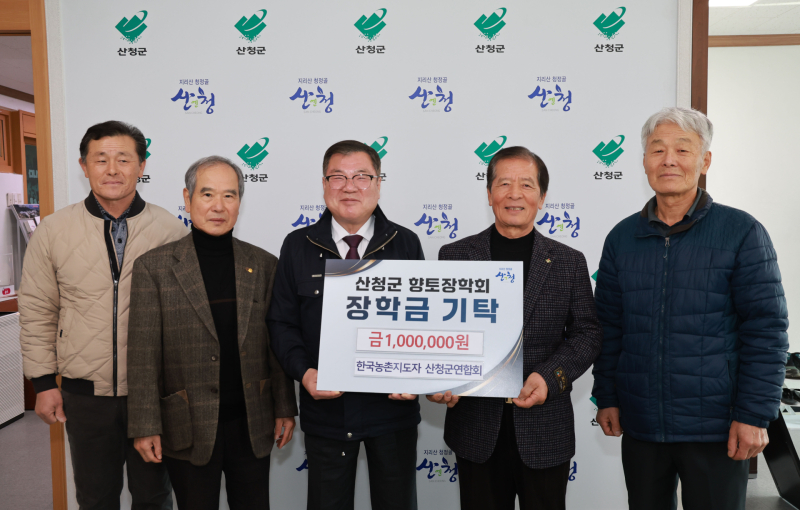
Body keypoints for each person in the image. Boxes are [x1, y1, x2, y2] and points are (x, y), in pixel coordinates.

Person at [592, 107, 789, 510]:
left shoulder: (741, 232)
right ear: (644, 160)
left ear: (705, 161)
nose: (669, 160)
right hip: (642, 425)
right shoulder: (622, 238)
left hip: (717, 428)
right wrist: (607, 395)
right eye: (657, 149)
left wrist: (754, 415)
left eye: (683, 149)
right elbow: (609, 327)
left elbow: (766, 331)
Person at [18, 120, 185, 510]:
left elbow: (184, 319)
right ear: (84, 166)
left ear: (141, 166)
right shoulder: (54, 230)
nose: (112, 170)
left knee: (154, 497)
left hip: (152, 395)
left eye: (123, 159)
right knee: (95, 498)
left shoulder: (170, 230)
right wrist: (43, 383)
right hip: (85, 395)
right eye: (101, 159)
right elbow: (38, 309)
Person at [429, 146, 602, 510]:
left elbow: (587, 334)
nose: (514, 194)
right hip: (476, 427)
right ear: (489, 193)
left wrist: (548, 377)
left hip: (545, 428)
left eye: (526, 184)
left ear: (542, 196)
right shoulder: (455, 256)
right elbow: (438, 333)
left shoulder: (569, 261)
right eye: (504, 183)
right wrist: (438, 377)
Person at [127, 156, 297, 510]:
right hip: (186, 424)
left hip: (252, 422)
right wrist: (144, 424)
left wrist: (284, 407)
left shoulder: (264, 264)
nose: (218, 206)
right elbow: (143, 357)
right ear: (187, 199)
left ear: (239, 202)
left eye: (229, 195)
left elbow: (274, 344)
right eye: (207, 194)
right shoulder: (154, 268)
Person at [268, 140, 425, 510]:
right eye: (337, 177)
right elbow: (281, 323)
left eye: (361, 177)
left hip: (392, 413)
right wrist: (305, 373)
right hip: (327, 413)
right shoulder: (297, 245)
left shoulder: (405, 243)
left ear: (379, 183)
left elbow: (422, 322)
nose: (349, 187)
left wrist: (414, 376)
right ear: (324, 185)